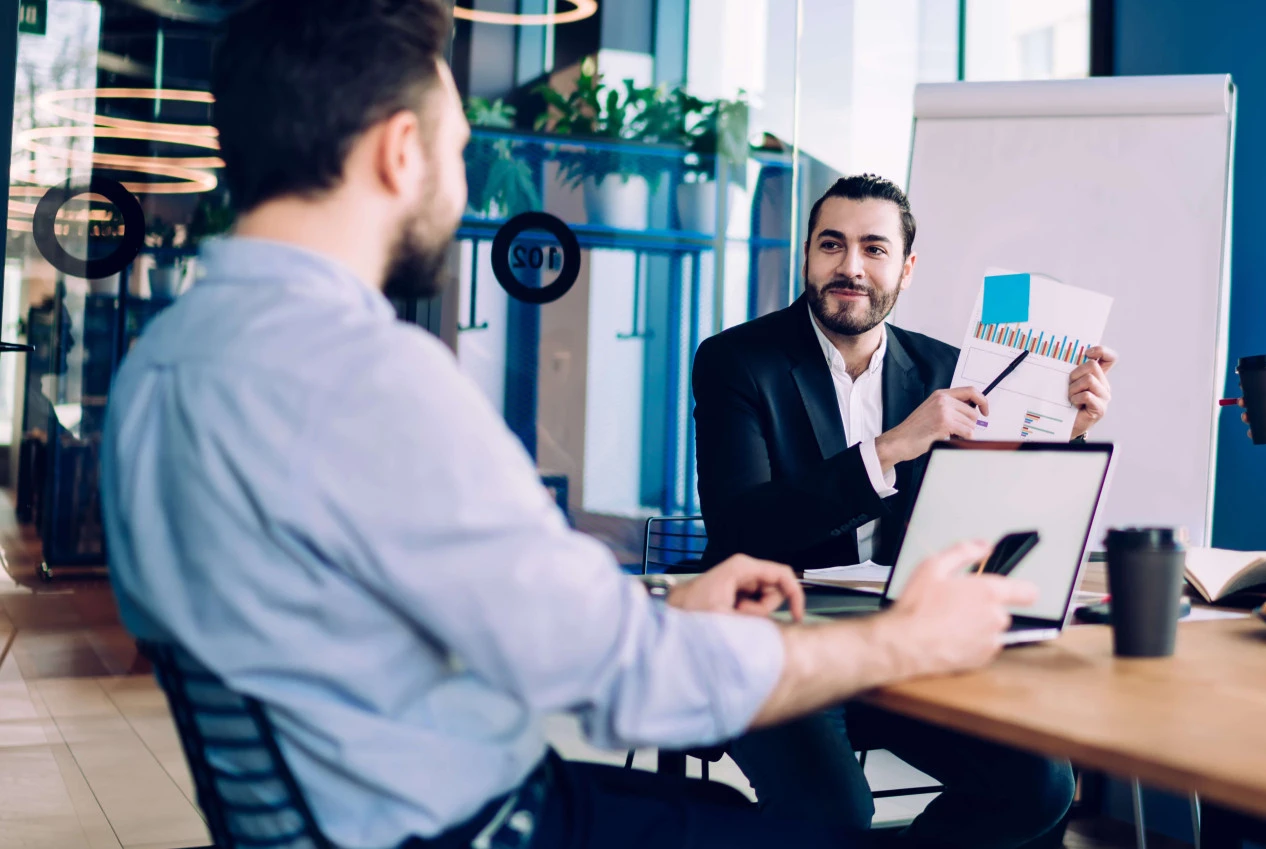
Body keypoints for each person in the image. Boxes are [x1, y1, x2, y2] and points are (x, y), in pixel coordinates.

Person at [99, 3, 1042, 848]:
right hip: (479, 820)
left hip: (370, 804)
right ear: (399, 153)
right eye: (459, 148)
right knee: (821, 830)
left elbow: (416, 610)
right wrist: (903, 641)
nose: (465, 183)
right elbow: (625, 685)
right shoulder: (369, 378)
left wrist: (658, 610)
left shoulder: (161, 365)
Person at [688, 175, 1107, 845]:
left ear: (906, 269)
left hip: (901, 643)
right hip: (773, 642)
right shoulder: (735, 361)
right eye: (832, 245)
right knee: (836, 813)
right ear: (806, 256)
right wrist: (890, 448)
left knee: (1041, 784)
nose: (850, 266)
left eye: (873, 248)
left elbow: (987, 514)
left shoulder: (944, 368)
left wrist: (1066, 427)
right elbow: (743, 527)